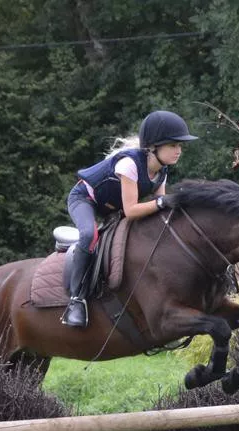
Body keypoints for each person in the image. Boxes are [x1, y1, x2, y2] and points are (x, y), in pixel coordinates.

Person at [62, 110, 199, 328]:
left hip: (113, 208)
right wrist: (163, 203)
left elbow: (159, 208)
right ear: (154, 146)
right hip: (85, 198)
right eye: (173, 145)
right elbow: (133, 210)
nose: (179, 151)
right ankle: (76, 300)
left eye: (180, 146)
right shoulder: (129, 165)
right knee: (89, 234)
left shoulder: (161, 171)